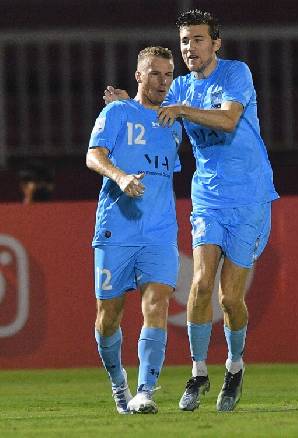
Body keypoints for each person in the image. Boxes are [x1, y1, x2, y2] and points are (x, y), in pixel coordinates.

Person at [105, 9, 278, 412]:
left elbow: (229, 119)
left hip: (250, 194)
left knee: (230, 298)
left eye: (198, 39)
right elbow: (152, 112)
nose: (189, 48)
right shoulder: (179, 86)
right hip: (208, 197)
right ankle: (199, 372)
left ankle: (234, 366)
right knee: (200, 285)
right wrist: (125, 105)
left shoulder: (236, 74)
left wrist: (181, 110)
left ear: (215, 43)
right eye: (184, 41)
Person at [87, 46, 182, 414]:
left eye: (168, 75)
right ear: (139, 75)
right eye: (155, 74)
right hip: (117, 228)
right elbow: (93, 155)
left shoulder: (174, 120)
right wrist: (121, 176)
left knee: (156, 304)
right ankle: (118, 383)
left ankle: (145, 391)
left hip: (159, 230)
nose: (162, 81)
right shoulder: (115, 113)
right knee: (108, 316)